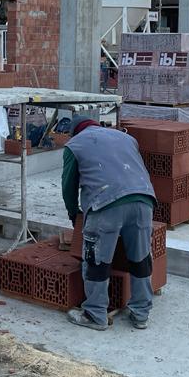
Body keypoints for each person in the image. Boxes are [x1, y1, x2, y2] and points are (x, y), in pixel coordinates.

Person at [62, 116, 156, 331]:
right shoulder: (126, 138)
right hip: (143, 200)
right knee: (141, 259)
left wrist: (74, 214)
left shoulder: (74, 145)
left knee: (97, 261)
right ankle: (141, 314)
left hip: (105, 203)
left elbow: (68, 186)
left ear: (75, 132)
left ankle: (95, 315)